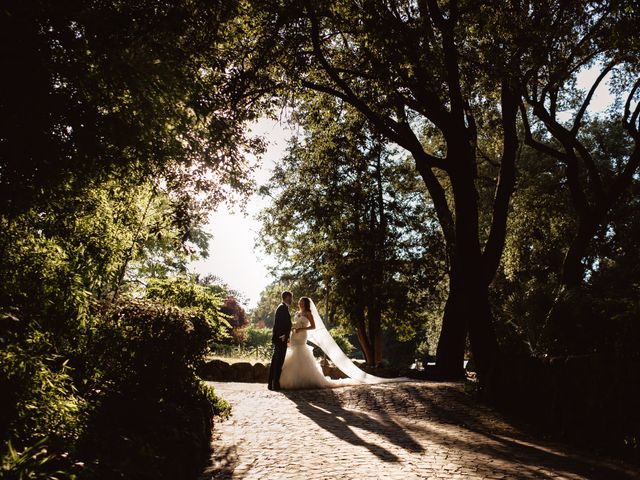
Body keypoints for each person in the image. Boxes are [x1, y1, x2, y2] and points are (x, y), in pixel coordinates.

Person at [278, 297, 406, 389]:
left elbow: (313, 326)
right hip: (294, 336)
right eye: (299, 302)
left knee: (301, 354)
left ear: (306, 304)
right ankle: (292, 380)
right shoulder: (296, 313)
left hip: (302, 336)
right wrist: (292, 330)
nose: (299, 303)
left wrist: (301, 329)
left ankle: (304, 381)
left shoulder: (309, 313)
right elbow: (292, 324)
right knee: (292, 354)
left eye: (301, 302)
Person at [267, 291, 292, 391]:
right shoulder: (281, 307)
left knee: (275, 361)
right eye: (290, 298)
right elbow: (278, 323)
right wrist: (282, 335)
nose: (291, 300)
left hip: (282, 338)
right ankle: (275, 384)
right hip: (280, 339)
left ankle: (271, 383)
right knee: (278, 362)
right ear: (286, 297)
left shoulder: (284, 307)